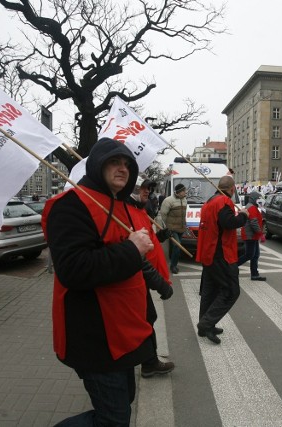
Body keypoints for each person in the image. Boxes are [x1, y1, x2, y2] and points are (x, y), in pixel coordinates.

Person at [44, 137, 157, 426]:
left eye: (127, 164)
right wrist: (132, 249)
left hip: (124, 331)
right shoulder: (70, 205)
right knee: (114, 419)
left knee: (122, 405)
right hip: (95, 335)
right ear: (96, 165)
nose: (122, 169)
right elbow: (74, 269)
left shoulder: (119, 204)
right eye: (114, 162)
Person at [126, 176, 175, 378]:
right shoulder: (126, 212)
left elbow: (149, 240)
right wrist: (160, 284)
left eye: (149, 188)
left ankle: (148, 362)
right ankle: (148, 362)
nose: (148, 191)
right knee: (145, 319)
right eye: (144, 188)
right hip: (135, 278)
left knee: (148, 317)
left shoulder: (140, 210)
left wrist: (162, 236)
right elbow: (135, 253)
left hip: (143, 278)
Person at [196, 175, 249, 345]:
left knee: (210, 292)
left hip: (209, 254)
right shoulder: (223, 202)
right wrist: (243, 216)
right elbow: (228, 222)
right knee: (231, 291)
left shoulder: (209, 202)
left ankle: (205, 326)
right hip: (221, 255)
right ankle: (206, 323)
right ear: (232, 189)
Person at [157, 183, 188, 274]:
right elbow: (163, 214)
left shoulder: (185, 200)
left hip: (181, 228)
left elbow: (183, 214)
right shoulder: (169, 200)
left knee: (177, 247)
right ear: (179, 192)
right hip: (172, 228)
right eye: (184, 191)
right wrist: (167, 227)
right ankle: (173, 266)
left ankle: (175, 263)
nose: (185, 192)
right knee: (177, 246)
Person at [237, 191, 266, 281]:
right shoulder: (252, 207)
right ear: (254, 199)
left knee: (255, 255)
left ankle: (254, 274)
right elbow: (254, 223)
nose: (259, 200)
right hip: (250, 235)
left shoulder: (252, 206)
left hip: (252, 235)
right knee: (249, 255)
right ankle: (232, 266)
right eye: (258, 198)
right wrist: (261, 234)